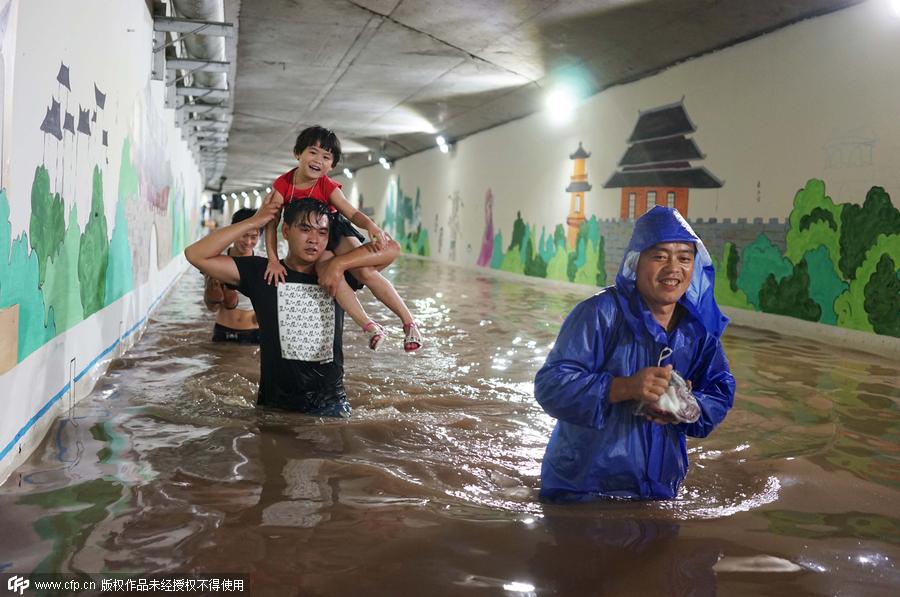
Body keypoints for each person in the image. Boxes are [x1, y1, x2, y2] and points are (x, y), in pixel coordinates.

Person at [534, 206, 735, 501]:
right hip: (582, 490)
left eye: (684, 258)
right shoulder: (599, 314)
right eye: (659, 256)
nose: (673, 269)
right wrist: (623, 387)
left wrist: (685, 407)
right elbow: (550, 385)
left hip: (659, 490)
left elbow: (720, 392)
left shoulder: (698, 332)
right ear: (636, 261)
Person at [185, 197, 400, 416]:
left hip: (331, 405)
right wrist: (254, 222)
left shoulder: (339, 277)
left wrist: (339, 263)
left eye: (322, 232)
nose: (314, 240)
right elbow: (195, 255)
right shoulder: (262, 273)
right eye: (305, 229)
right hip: (274, 406)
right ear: (285, 231)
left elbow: (392, 249)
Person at [263, 125, 422, 352]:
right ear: (298, 153)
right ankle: (370, 326)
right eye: (313, 152)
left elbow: (351, 212)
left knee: (365, 272)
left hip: (336, 229)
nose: (318, 160)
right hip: (318, 239)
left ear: (332, 165)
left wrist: (371, 227)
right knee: (330, 275)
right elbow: (271, 224)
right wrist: (272, 259)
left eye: (326, 156)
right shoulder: (283, 186)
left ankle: (409, 323)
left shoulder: (326, 185)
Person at [204, 208, 261, 344]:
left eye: (253, 237)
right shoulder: (217, 260)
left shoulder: (263, 263)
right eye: (243, 235)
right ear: (233, 231)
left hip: (254, 332)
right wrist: (213, 295)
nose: (248, 242)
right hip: (223, 330)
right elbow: (211, 307)